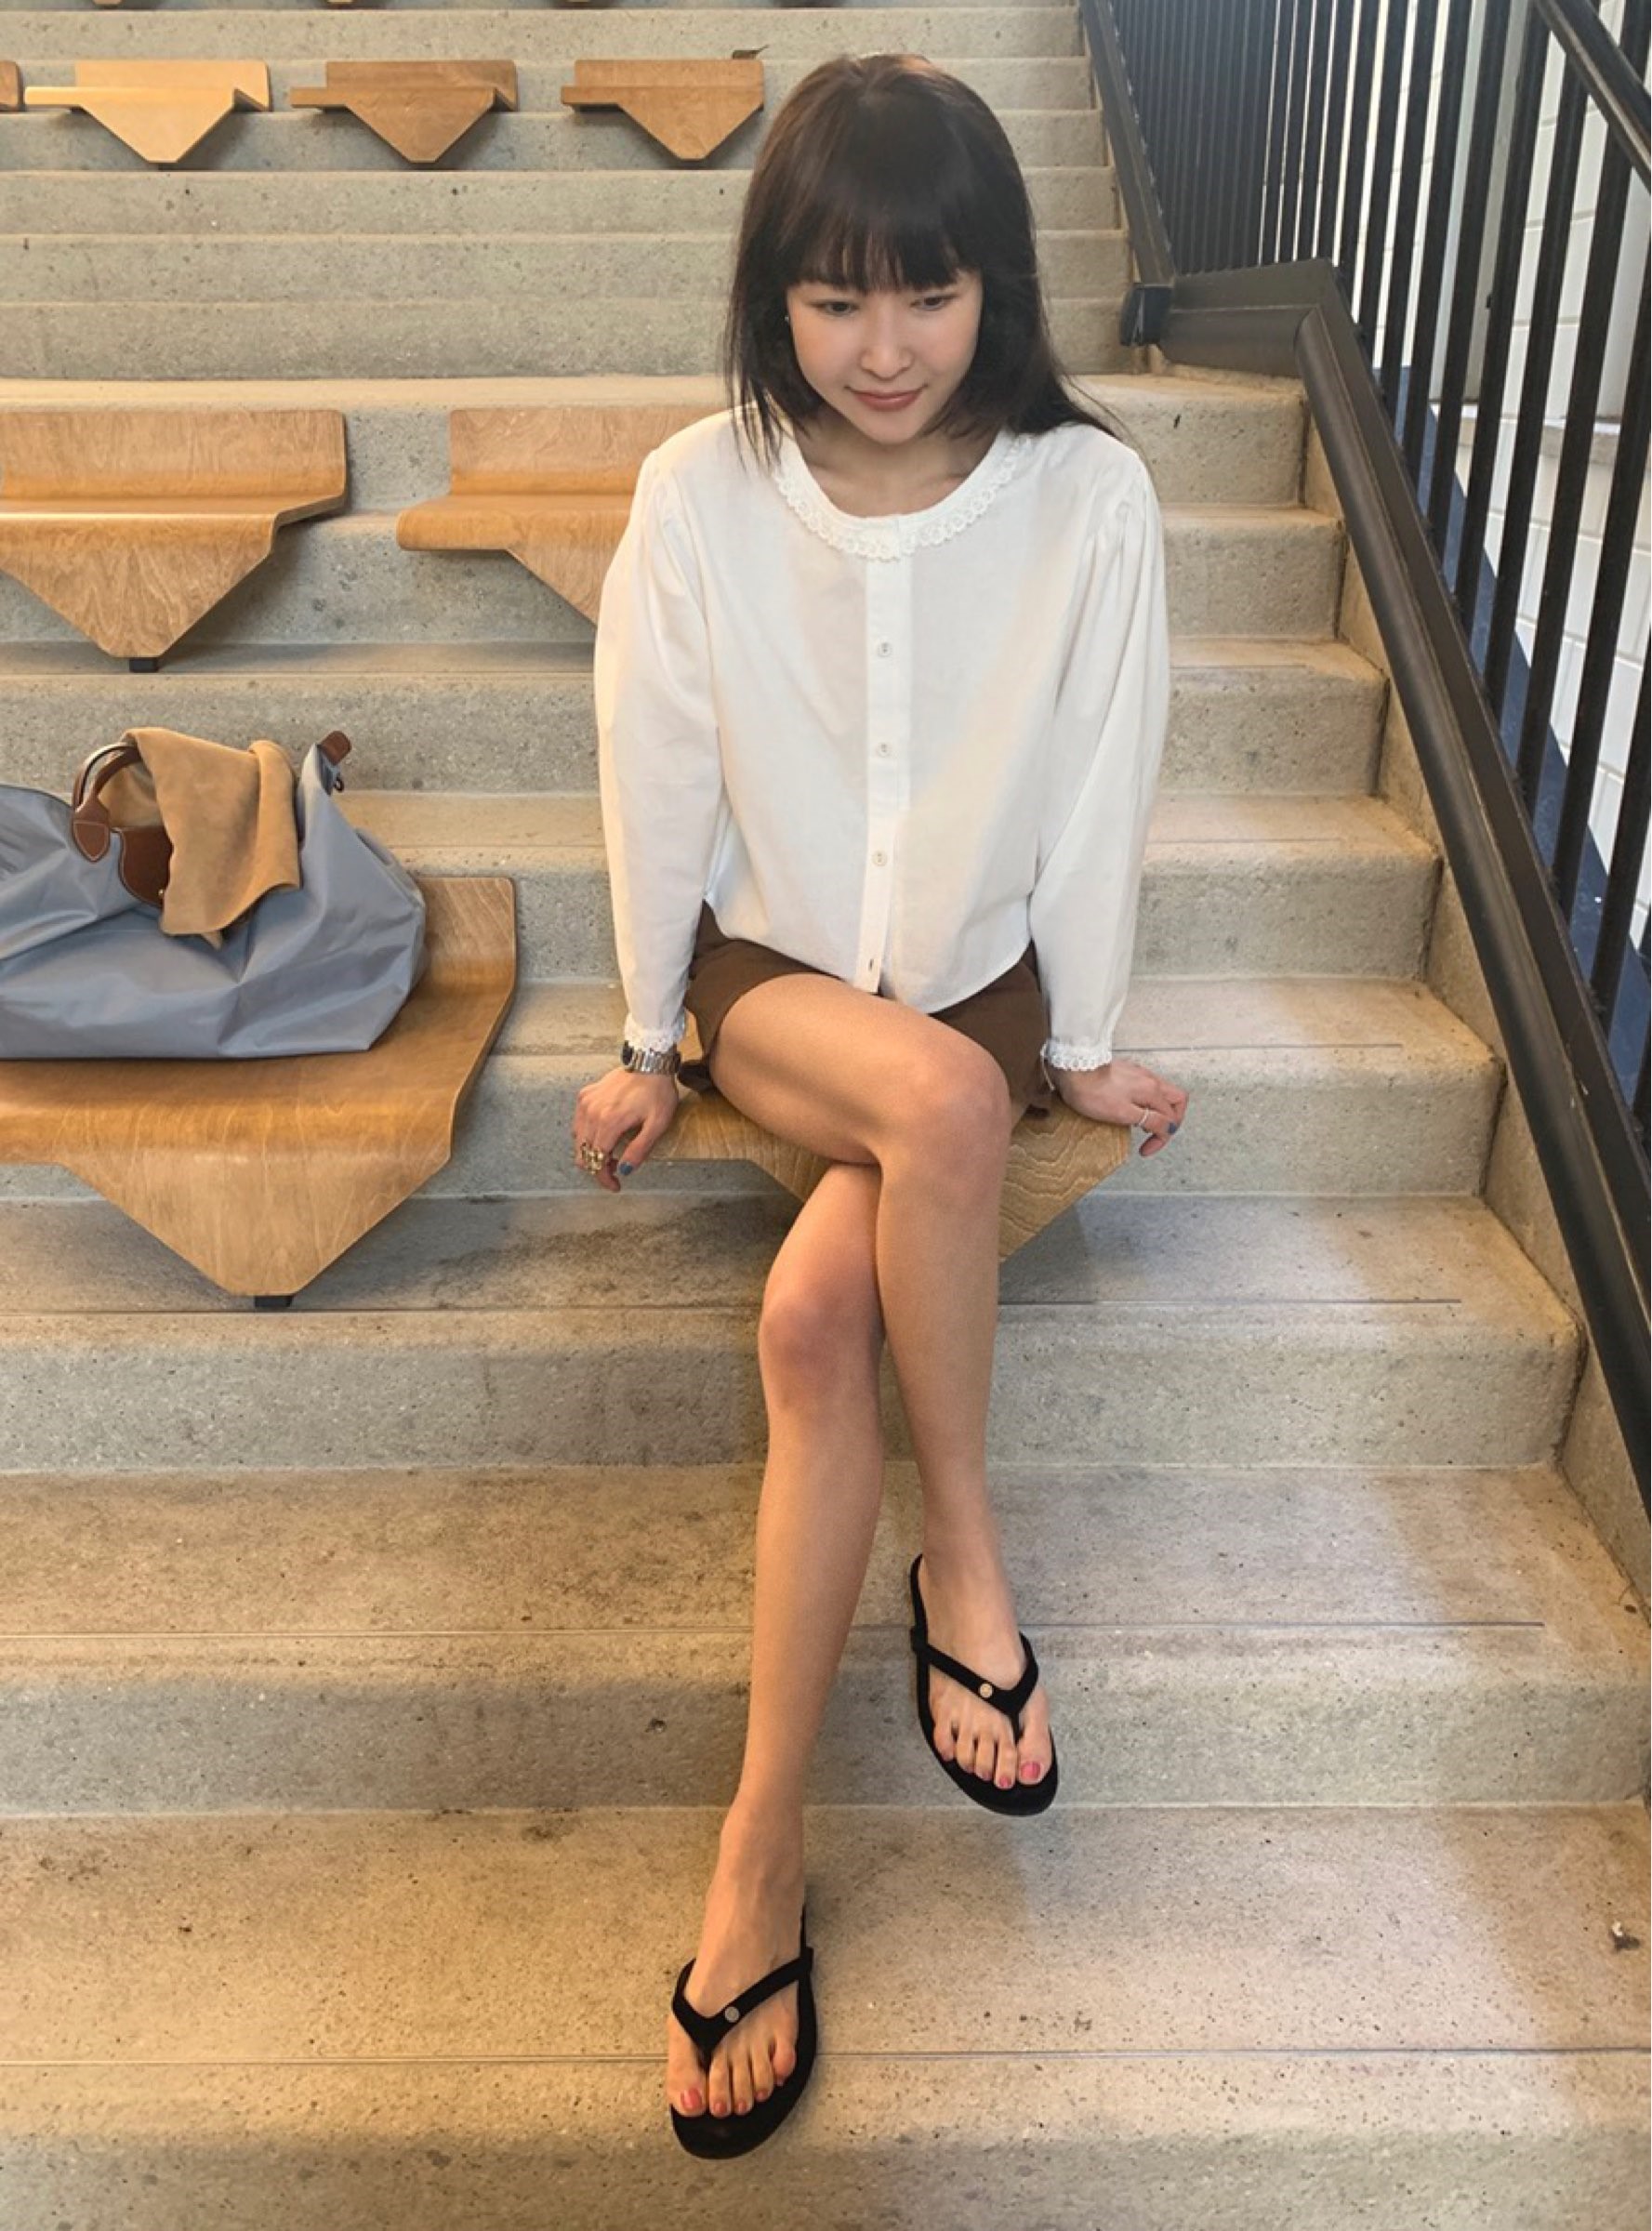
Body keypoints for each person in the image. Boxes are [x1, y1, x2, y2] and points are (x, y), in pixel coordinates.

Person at [574, 52, 1188, 2159]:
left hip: (980, 987)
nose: (886, 345)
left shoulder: (1088, 500)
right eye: (836, 299)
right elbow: (657, 767)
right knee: (923, 1098)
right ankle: (968, 1564)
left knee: (806, 1321)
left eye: (928, 292)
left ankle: (755, 1859)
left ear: (993, 285)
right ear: (777, 299)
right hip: (772, 990)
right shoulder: (697, 493)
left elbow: (1100, 777)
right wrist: (645, 1034)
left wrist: (1081, 1033)